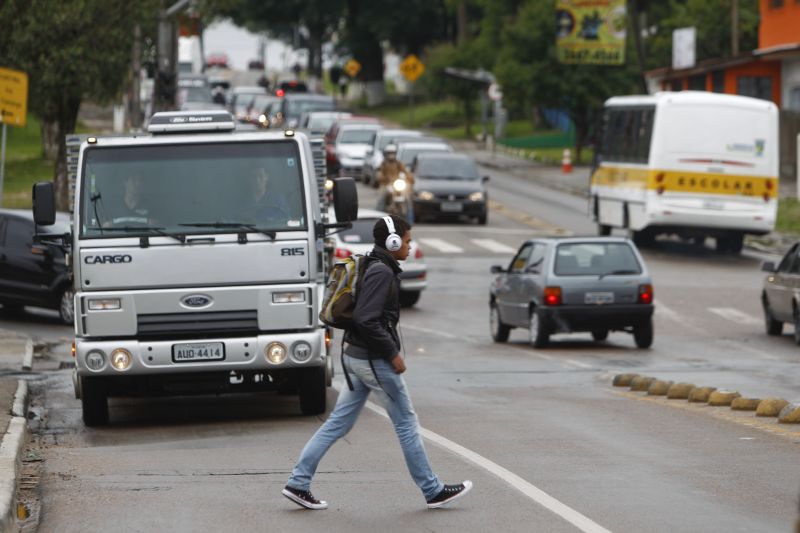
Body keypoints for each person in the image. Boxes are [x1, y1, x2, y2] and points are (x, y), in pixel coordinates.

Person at [282, 215, 473, 510]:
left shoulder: (374, 264)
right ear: (392, 241)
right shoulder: (382, 272)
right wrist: (392, 353)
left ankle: (298, 482)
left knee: (338, 423)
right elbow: (366, 319)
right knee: (407, 424)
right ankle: (432, 490)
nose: (409, 247)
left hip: (355, 358)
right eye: (407, 241)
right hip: (372, 361)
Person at [375, 144, 414, 223]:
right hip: (386, 184)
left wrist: (410, 178)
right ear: (386, 154)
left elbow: (406, 172)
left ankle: (410, 220)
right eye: (389, 153)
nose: (391, 155)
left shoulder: (398, 163)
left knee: (407, 199)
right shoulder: (383, 164)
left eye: (393, 153)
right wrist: (381, 177)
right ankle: (378, 218)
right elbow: (379, 174)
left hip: (397, 183)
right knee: (381, 199)